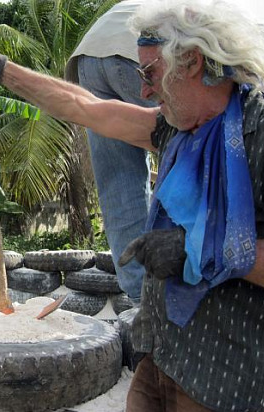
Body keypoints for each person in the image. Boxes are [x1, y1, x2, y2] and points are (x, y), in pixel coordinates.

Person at [0, 0, 264, 409]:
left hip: (227, 382)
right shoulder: (176, 131)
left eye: (150, 74)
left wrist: (200, 249)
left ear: (191, 63)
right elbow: (86, 108)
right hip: (163, 360)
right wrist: (3, 71)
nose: (145, 90)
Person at [64, 0, 154, 303]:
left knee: (120, 186)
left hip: (90, 56)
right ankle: (182, 294)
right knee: (196, 156)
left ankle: (141, 300)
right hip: (140, 53)